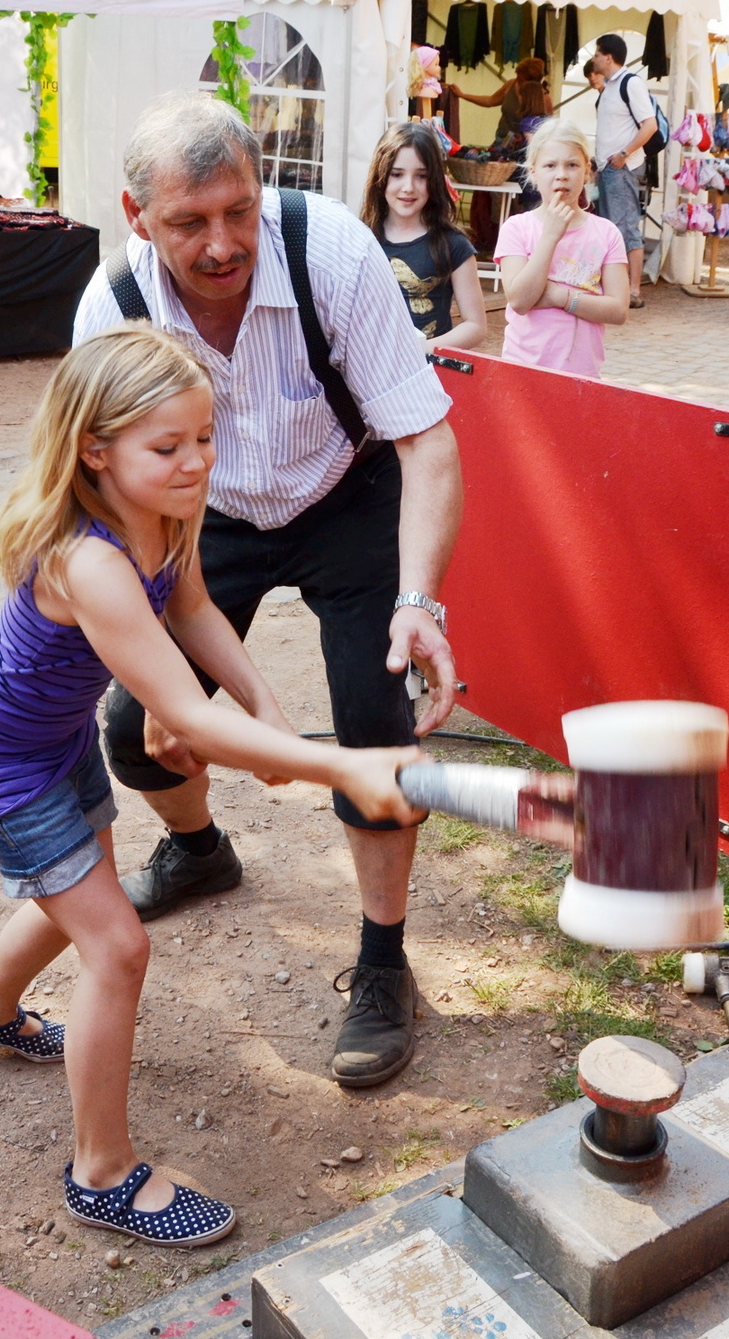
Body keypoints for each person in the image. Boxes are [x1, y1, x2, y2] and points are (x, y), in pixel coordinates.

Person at [0, 326, 423, 1244]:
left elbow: (192, 610)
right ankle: (101, 1175)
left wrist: (269, 711)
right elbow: (185, 716)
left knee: (77, 892)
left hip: (54, 739)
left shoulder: (166, 513)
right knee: (116, 946)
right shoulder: (88, 560)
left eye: (204, 437)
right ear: (94, 449)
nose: (196, 462)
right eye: (168, 446)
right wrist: (341, 764)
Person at [72, 92, 462, 1091]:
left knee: (375, 726)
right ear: (135, 214)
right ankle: (199, 849)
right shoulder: (111, 309)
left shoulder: (331, 252)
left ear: (263, 186)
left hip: (348, 492)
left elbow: (426, 440)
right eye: (188, 222)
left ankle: (383, 961)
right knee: (134, 732)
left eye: (238, 210)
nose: (221, 245)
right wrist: (165, 678)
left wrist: (419, 601)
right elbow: (106, 493)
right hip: (202, 514)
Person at [495, 118, 629, 376]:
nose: (562, 175)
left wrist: (560, 297)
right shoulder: (517, 228)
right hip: (523, 372)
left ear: (587, 170)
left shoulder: (606, 233)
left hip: (582, 375)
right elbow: (520, 300)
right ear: (533, 172)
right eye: (550, 165)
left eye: (572, 165)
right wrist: (550, 236)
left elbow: (618, 310)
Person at [361, 122, 486, 351]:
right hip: (368, 366)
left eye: (421, 176)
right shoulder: (359, 239)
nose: (408, 187)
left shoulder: (454, 244)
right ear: (380, 175)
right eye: (397, 174)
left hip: (427, 369)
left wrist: (417, 351)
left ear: (435, 180)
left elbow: (476, 326)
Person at [590, 34, 657, 309]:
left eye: (597, 54)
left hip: (622, 168)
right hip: (609, 168)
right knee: (611, 226)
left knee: (624, 227)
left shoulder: (631, 83)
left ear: (608, 57)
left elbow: (650, 125)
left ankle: (631, 290)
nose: (594, 58)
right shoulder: (610, 87)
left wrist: (623, 154)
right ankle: (619, 288)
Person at [449, 56, 553, 144]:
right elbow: (490, 101)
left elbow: (547, 131)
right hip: (501, 142)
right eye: (517, 77)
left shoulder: (545, 99)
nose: (517, 81)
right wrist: (462, 95)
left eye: (521, 79)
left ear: (532, 83)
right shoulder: (511, 84)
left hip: (524, 149)